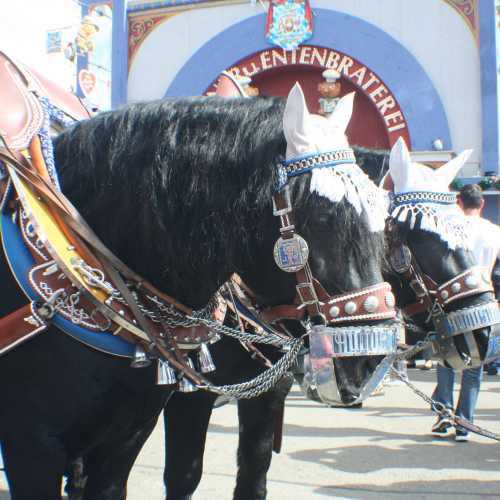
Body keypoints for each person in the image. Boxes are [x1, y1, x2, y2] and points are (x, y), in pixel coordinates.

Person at [431, 183, 500, 442]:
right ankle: (465, 423)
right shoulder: (495, 232)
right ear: (482, 203)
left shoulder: (450, 228)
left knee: (447, 359)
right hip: (484, 300)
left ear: (459, 202)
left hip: (453, 299)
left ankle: (444, 414)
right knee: (475, 365)